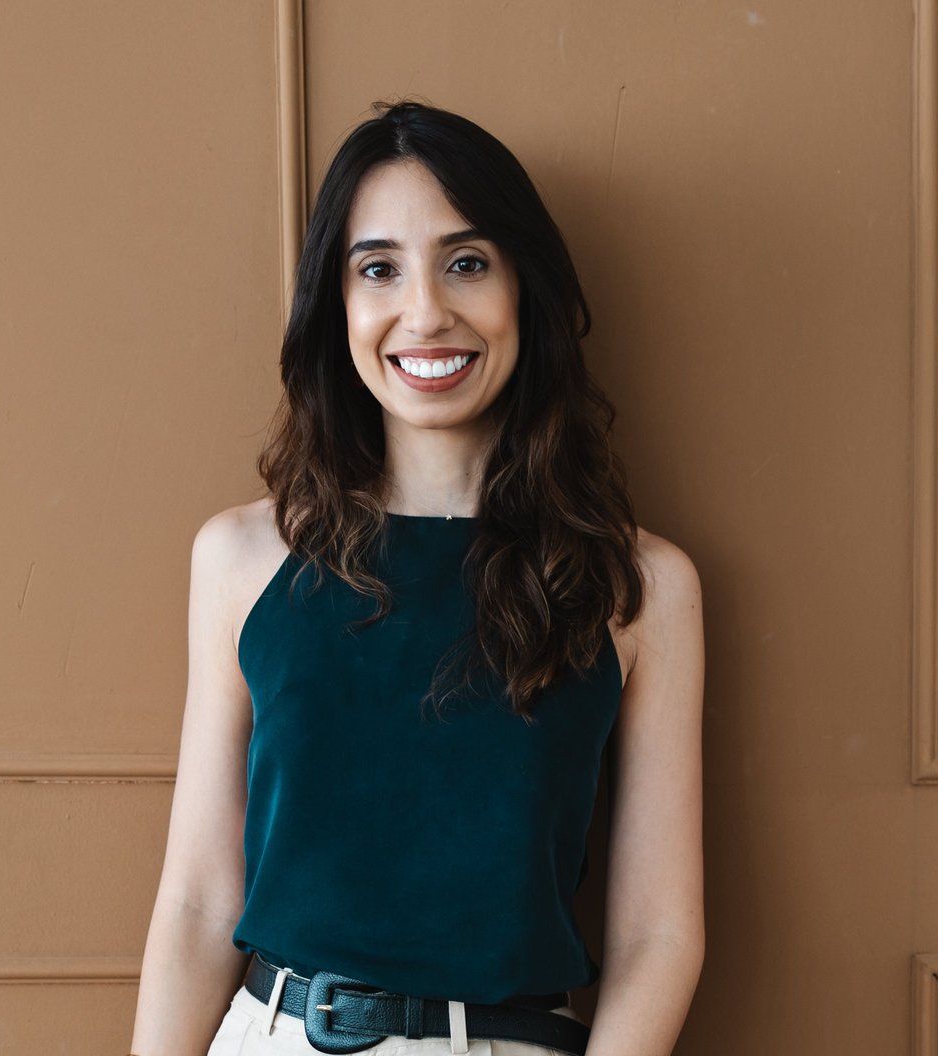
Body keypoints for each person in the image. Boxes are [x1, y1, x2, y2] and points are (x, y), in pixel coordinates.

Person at [128, 99, 705, 1056]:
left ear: (525, 289)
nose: (426, 311)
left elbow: (659, 933)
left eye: (468, 263)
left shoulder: (640, 584)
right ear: (337, 302)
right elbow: (196, 903)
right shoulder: (243, 559)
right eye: (379, 268)